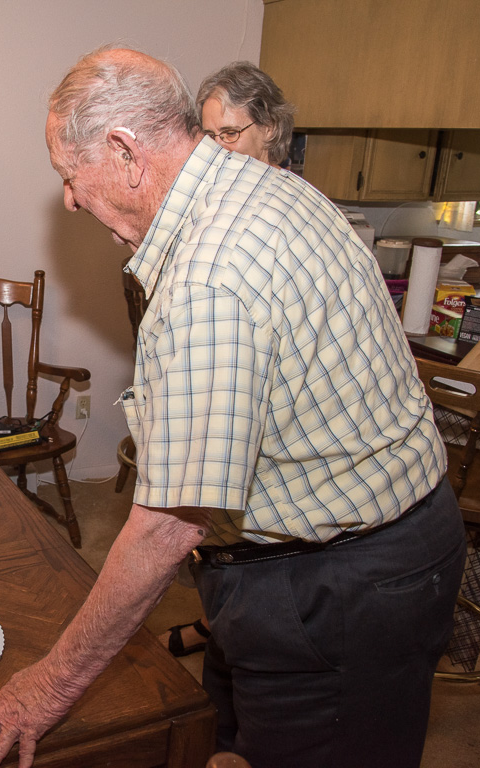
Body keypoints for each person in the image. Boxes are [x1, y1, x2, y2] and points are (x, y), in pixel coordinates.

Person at [0, 46, 466, 768]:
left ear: (124, 152)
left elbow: (163, 531)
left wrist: (46, 688)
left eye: (70, 175)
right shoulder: (264, 184)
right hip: (365, 545)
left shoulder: (207, 284)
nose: (67, 198)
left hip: (337, 587)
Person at [159, 60, 297, 657]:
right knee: (222, 540)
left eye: (229, 135)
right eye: (207, 138)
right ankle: (222, 626)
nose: (217, 152)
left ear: (270, 128)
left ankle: (228, 628)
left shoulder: (287, 211)